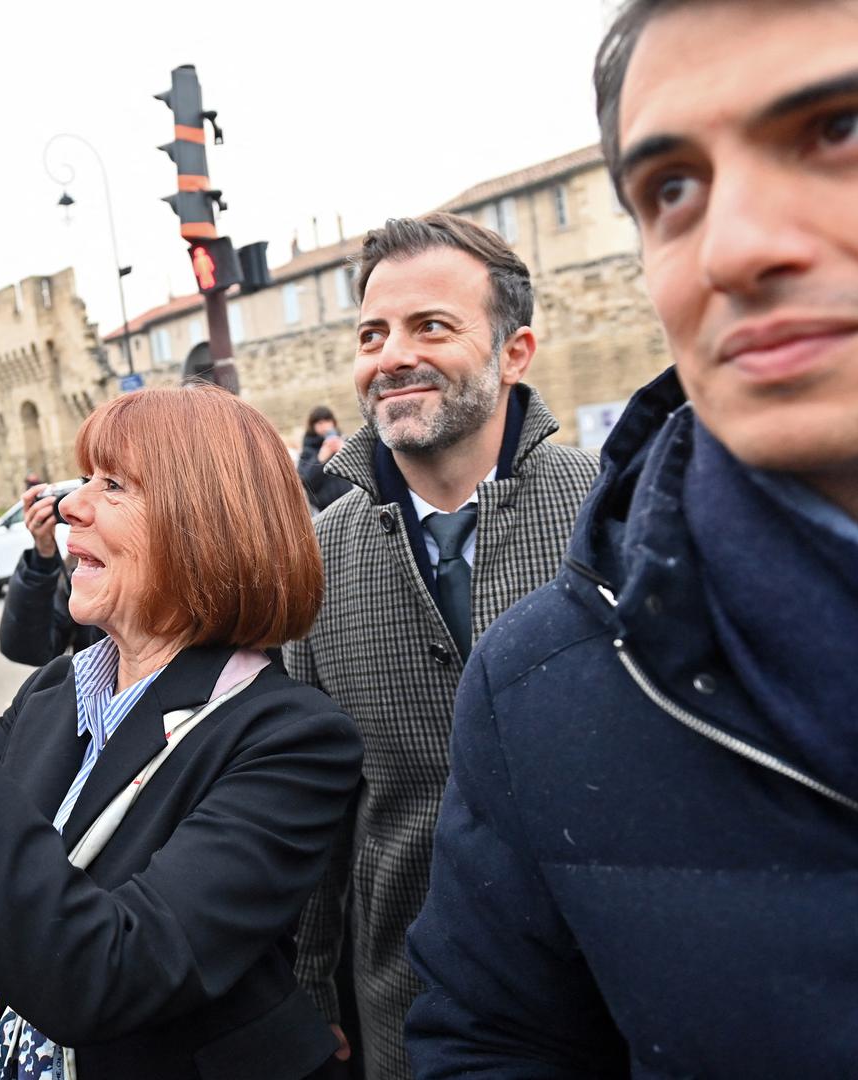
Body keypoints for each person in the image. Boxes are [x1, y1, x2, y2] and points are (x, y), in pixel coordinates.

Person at [405, 1, 858, 1075]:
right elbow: (489, 1042)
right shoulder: (542, 693)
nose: (731, 249)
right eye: (672, 190)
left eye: (844, 129)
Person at [0, 384, 362, 1080]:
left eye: (114, 484)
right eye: (85, 477)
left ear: (203, 523)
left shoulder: (291, 738)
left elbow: (105, 973)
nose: (70, 505)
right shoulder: (56, 691)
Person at [284, 214, 599, 1080]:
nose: (391, 356)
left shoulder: (612, 517)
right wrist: (309, 989)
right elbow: (313, 810)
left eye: (432, 327)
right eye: (371, 334)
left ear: (514, 352)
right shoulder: (317, 560)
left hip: (609, 1003)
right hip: (405, 1017)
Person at [0, 481, 105, 666]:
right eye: (85, 482)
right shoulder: (77, 568)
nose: (67, 508)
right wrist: (43, 557)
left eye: (112, 485)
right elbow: (27, 649)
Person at [297, 406, 353, 513]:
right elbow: (305, 481)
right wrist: (320, 459)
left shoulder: (345, 442)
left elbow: (362, 468)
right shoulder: (308, 451)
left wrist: (344, 451)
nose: (324, 426)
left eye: (327, 421)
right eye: (319, 423)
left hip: (352, 504)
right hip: (325, 511)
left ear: (333, 423)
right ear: (313, 427)